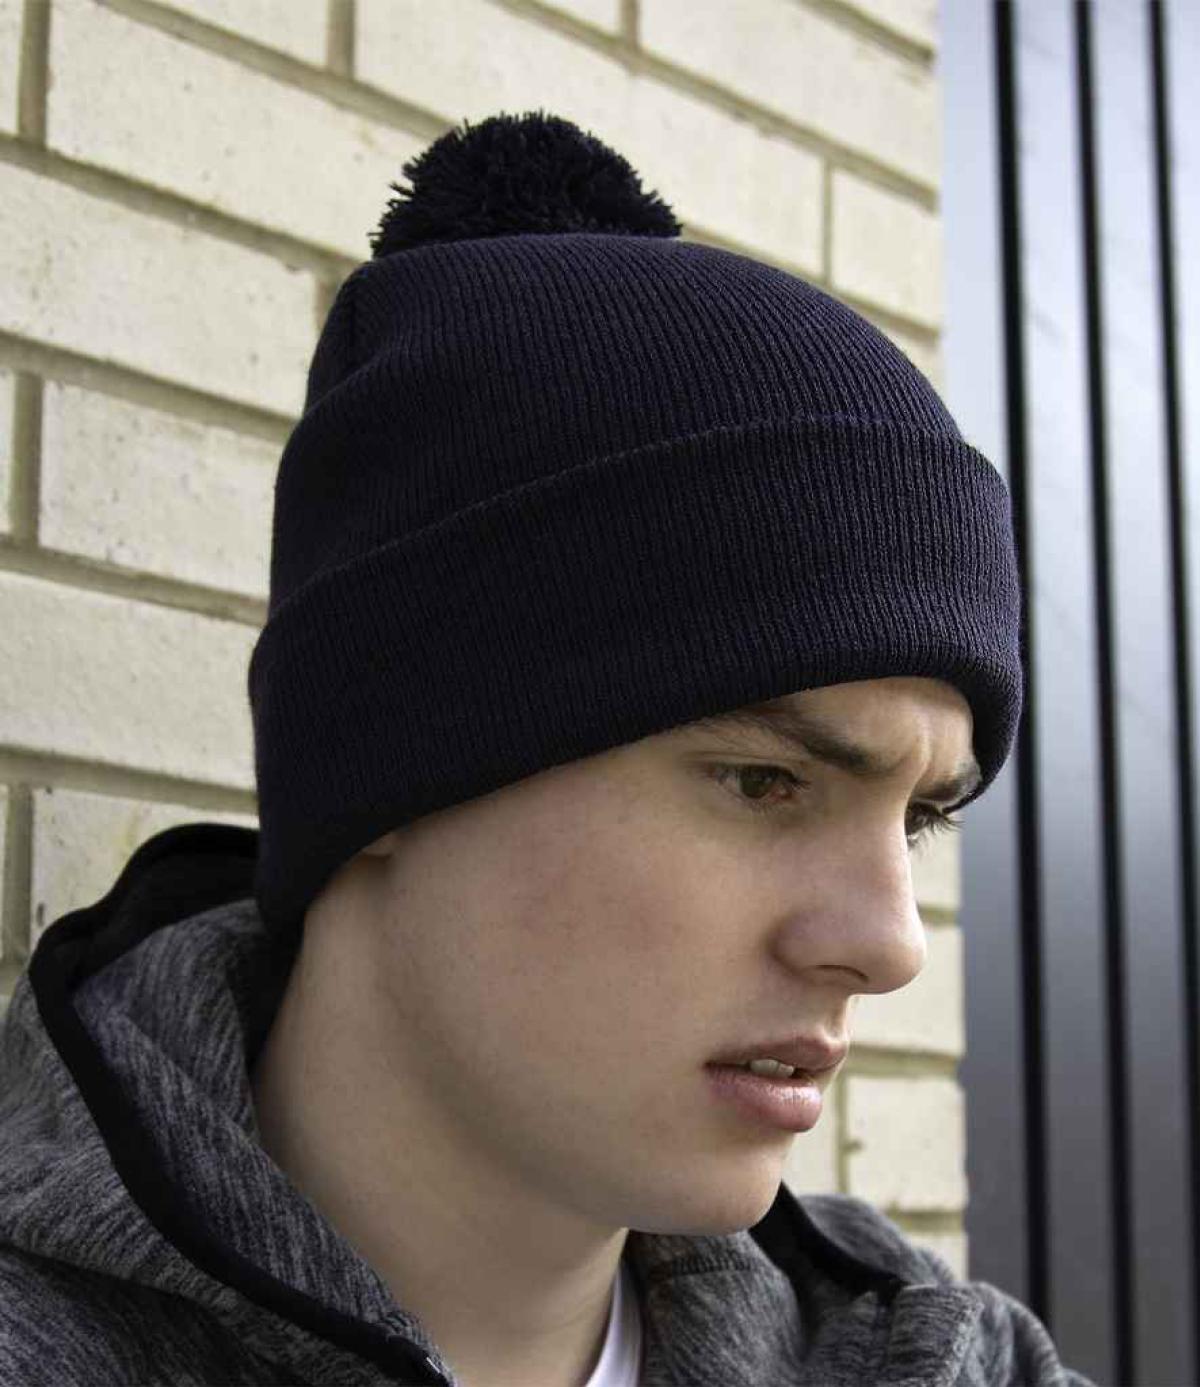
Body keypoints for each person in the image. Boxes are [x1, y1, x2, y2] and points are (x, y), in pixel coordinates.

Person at [0, 112, 1093, 1387]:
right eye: (766, 780)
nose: (890, 945)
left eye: (916, 818)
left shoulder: (936, 1359)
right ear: (394, 751)